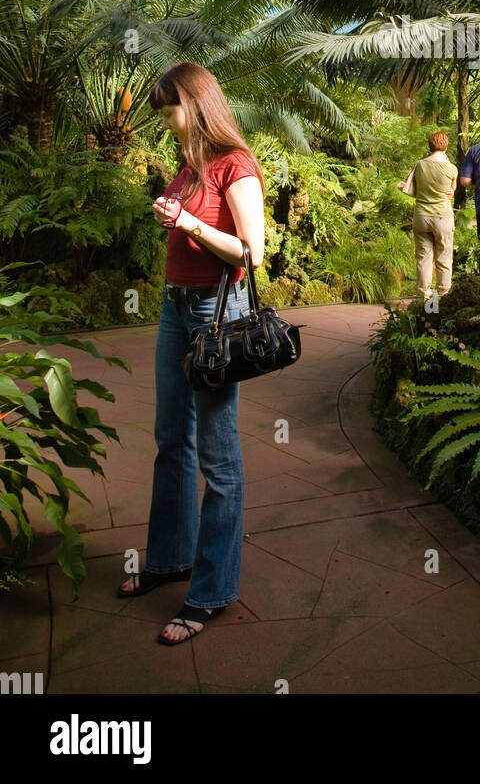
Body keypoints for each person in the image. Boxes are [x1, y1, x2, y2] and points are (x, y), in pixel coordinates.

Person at [116, 62, 265, 646]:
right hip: (174, 307)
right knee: (169, 438)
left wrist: (188, 224)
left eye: (170, 113)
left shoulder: (235, 164)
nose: (167, 125)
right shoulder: (188, 166)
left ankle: (210, 591)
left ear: (197, 105)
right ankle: (168, 559)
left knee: (217, 455)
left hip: (211, 314)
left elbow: (251, 253)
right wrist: (172, 218)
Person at [404, 130, 458, 301]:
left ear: (430, 145)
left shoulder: (420, 165)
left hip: (421, 216)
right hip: (443, 216)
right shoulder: (451, 168)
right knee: (444, 254)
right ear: (446, 146)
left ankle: (426, 297)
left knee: (423, 256)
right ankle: (442, 294)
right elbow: (452, 190)